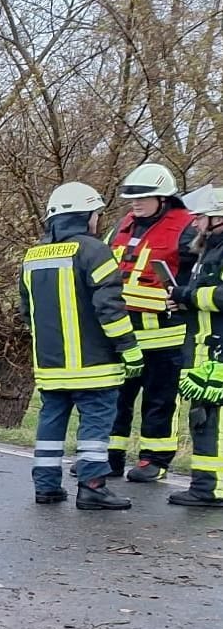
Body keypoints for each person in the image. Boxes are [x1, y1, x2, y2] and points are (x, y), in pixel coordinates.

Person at [21, 182, 142, 510]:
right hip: (94, 365)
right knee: (95, 425)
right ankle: (92, 486)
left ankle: (46, 486)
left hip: (50, 365)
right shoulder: (94, 250)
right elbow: (110, 308)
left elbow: (26, 312)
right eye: (96, 214)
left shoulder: (32, 257)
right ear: (85, 215)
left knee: (51, 423)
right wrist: (129, 348)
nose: (97, 221)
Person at [108, 162, 199, 481]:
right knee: (116, 398)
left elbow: (198, 275)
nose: (135, 203)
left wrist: (185, 295)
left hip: (166, 333)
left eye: (143, 198)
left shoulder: (188, 227)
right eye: (132, 198)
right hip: (124, 331)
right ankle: (110, 456)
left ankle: (154, 460)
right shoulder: (123, 225)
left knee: (160, 400)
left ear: (164, 198)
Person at [171, 189, 223, 507]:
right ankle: (205, 486)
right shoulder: (209, 251)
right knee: (202, 420)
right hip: (204, 346)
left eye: (201, 218)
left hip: (217, 350)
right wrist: (183, 300)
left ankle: (211, 489)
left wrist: (187, 297)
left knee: (211, 423)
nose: (194, 224)